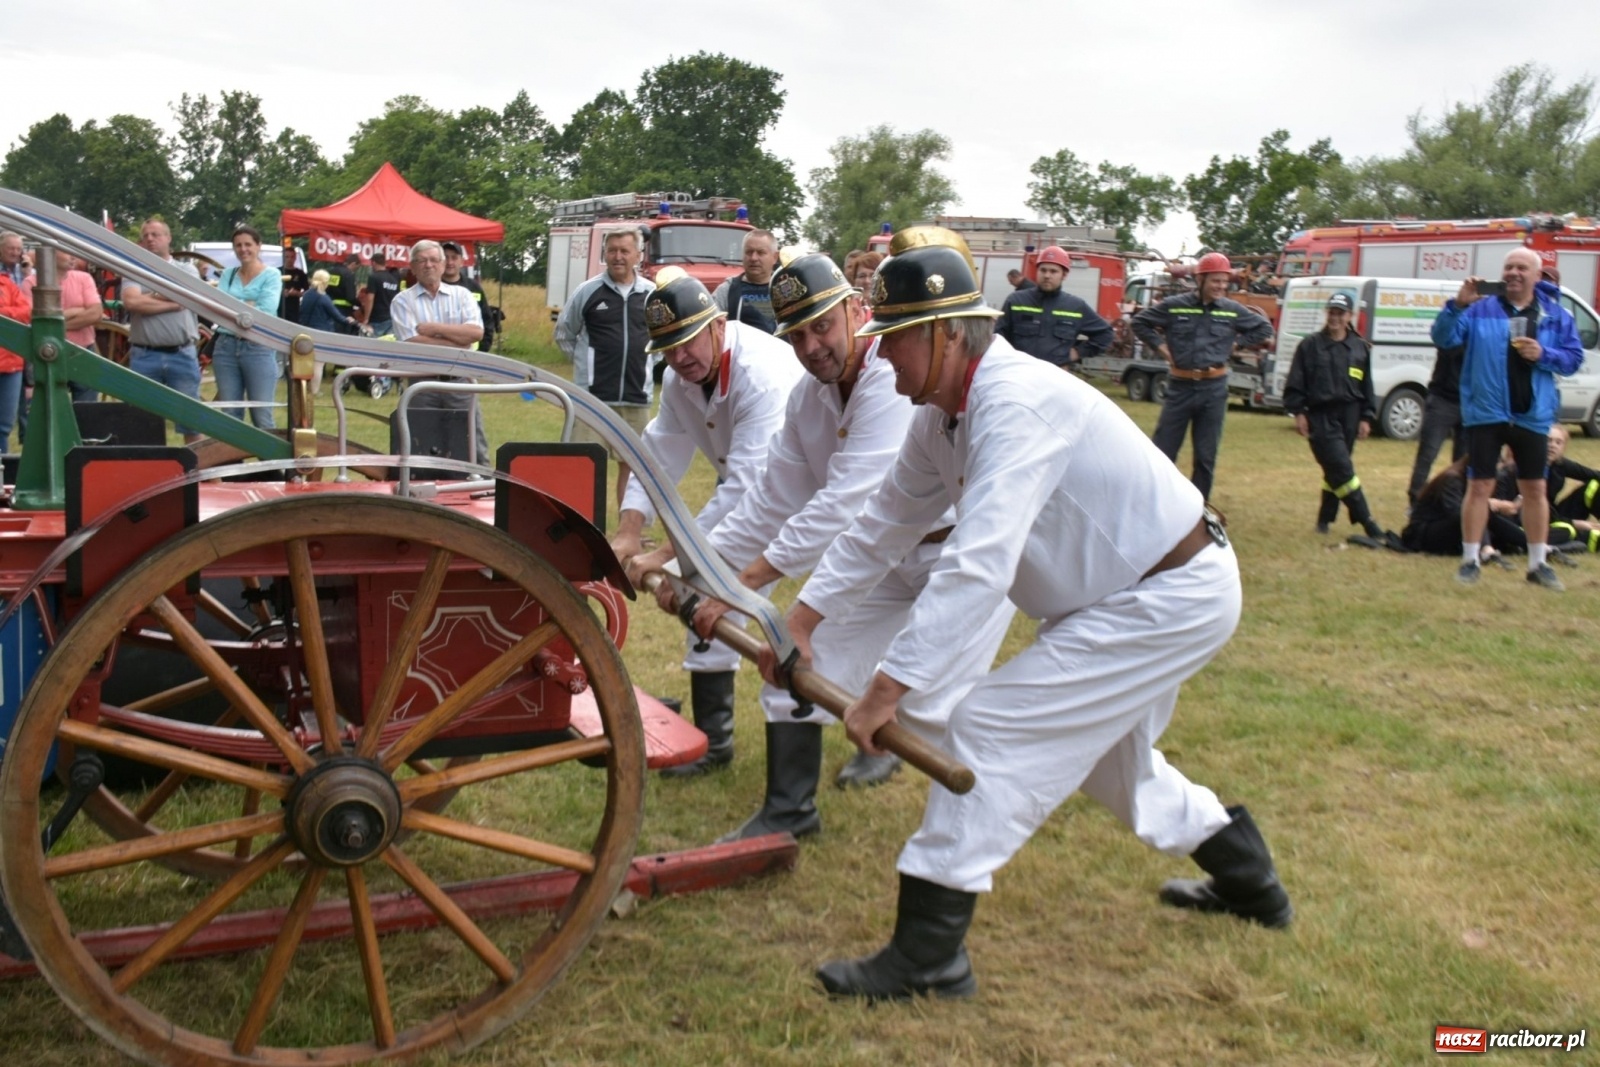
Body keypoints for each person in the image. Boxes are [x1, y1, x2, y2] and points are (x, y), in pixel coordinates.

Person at [781, 232, 1289, 1003]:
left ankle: (929, 956)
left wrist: (888, 687)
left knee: (990, 728)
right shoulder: (942, 414)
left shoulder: (1015, 402)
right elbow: (884, 523)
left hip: (1169, 594)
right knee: (1116, 767)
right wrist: (805, 617)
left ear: (947, 335)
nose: (880, 360)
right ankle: (1252, 881)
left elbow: (978, 561)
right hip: (1120, 598)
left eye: (895, 342)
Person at [683, 252, 1016, 826]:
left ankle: (962, 831)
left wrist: (745, 584)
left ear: (855, 310)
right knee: (794, 669)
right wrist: (708, 573)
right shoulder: (807, 397)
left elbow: (845, 505)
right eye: (797, 335)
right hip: (884, 560)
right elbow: (770, 499)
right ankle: (790, 813)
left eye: (822, 326)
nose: (812, 347)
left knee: (938, 712)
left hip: (954, 556)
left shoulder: (894, 381)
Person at [610, 268, 801, 778]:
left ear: (717, 324)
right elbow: (657, 456)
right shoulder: (680, 376)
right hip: (762, 495)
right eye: (667, 349)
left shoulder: (761, 376)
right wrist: (630, 530)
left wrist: (667, 555)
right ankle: (714, 743)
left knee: (834, 625)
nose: (679, 358)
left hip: (811, 500)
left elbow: (746, 490)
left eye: (688, 341)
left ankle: (874, 748)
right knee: (704, 597)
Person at [1431, 247, 1584, 590]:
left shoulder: (1555, 314)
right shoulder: (1480, 309)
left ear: (1536, 275)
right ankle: (1470, 560)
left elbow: (1574, 359)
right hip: (1486, 412)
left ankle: (1537, 564)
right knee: (1479, 485)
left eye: (1522, 268)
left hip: (1532, 415)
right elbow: (1443, 338)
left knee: (1535, 488)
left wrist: (1544, 354)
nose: (1514, 273)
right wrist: (1457, 306)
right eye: (1509, 267)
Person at [1133, 251, 1273, 501]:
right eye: (1215, 280)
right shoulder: (1175, 306)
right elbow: (1140, 322)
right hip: (1180, 387)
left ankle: (1198, 513)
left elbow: (1264, 328)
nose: (1220, 286)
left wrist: (1237, 345)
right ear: (1201, 280)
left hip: (1214, 389)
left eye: (1224, 281)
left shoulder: (1231, 310)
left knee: (1205, 456)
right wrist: (1161, 348)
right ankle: (1155, 505)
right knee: (1163, 451)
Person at [1281, 293, 1398, 545]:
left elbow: (1366, 385)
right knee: (1343, 470)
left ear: (1350, 316)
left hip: (1350, 415)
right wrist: (1299, 412)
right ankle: (1368, 521)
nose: (1335, 317)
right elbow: (1296, 382)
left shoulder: (1359, 347)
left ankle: (1325, 519)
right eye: (1331, 312)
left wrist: (1367, 416)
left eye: (1340, 313)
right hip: (1320, 415)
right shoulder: (1310, 346)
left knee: (1335, 469)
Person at [553, 228, 655, 506]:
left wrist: (646, 364)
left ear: (637, 254)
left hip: (636, 399)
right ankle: (583, 528)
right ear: (604, 254)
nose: (618, 257)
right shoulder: (587, 291)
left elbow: (660, 342)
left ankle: (629, 528)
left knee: (633, 470)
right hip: (592, 399)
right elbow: (564, 334)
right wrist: (586, 363)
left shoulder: (652, 295)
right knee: (583, 465)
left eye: (624, 251)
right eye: (612, 251)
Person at [389, 239, 488, 464]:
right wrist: (458, 342)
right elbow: (412, 342)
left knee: (473, 444)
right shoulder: (402, 301)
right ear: (412, 267)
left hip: (460, 382)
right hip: (421, 384)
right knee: (420, 447)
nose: (428, 265)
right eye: (422, 261)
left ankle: (481, 490)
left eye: (434, 260)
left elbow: (475, 333)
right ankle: (418, 494)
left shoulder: (463, 295)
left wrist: (435, 329)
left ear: (443, 265)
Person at [123, 218, 204, 443]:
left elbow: (188, 296)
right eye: (145, 235)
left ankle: (196, 474)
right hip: (144, 356)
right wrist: (172, 302)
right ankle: (152, 474)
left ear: (168, 238)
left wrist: (147, 298)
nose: (149, 239)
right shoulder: (132, 269)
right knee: (143, 422)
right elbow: (132, 303)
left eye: (155, 234)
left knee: (192, 423)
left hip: (182, 354)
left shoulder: (186, 269)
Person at [211, 225, 284, 429]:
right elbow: (218, 306)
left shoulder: (271, 275)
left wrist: (234, 307)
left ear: (258, 246)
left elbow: (267, 311)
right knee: (230, 413)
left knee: (261, 414)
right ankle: (233, 461)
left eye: (248, 244)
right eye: (238, 245)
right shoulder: (228, 274)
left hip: (258, 346)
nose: (243, 249)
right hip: (225, 346)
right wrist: (250, 305)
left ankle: (269, 459)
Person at [996, 246, 1113, 369]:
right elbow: (997, 337)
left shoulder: (1075, 306)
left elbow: (1106, 334)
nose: (1047, 275)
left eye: (1053, 271)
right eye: (1043, 270)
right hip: (1019, 376)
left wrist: (1077, 353)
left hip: (1056, 379)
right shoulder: (1016, 301)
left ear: (1064, 275)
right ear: (1037, 271)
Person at [28, 249, 105, 403]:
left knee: (86, 409)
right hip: (46, 354)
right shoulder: (30, 282)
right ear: (51, 254)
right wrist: (76, 311)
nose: (73, 256)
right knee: (49, 405)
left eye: (73, 251)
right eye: (66, 252)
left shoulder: (84, 278)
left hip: (82, 351)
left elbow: (96, 313)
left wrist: (55, 327)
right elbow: (32, 320)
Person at [1406, 343, 1466, 508]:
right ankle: (1415, 502)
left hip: (1470, 402)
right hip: (1443, 399)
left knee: (1463, 461)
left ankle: (1458, 504)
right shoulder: (1452, 322)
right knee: (1427, 454)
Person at [711, 229, 779, 334]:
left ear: (775, 257)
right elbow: (711, 330)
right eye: (749, 252)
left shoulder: (784, 290)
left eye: (761, 252)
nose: (753, 258)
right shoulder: (728, 290)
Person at [441, 242, 495, 352]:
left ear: (462, 262)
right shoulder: (433, 287)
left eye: (454, 258)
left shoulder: (473, 287)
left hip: (470, 355)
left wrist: (483, 351)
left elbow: (487, 320)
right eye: (446, 258)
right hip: (440, 352)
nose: (450, 262)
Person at [0, 269, 30, 447]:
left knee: (4, 426)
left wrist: (3, 313)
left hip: (11, 364)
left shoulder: (6, 283)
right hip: (11, 362)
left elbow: (26, 312)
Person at [361, 252, 399, 338]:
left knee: (373, 346)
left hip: (377, 319)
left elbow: (370, 298)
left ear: (373, 263)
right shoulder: (394, 279)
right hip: (391, 319)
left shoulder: (373, 277)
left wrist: (366, 318)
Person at [325, 253, 362, 330]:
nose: (355, 271)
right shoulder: (349, 275)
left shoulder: (331, 272)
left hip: (329, 308)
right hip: (344, 311)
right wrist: (361, 304)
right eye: (356, 268)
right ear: (353, 264)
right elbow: (351, 297)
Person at [278, 252, 309, 324]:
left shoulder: (300, 274)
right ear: (283, 257)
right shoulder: (278, 271)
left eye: (292, 257)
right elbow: (270, 289)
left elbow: (307, 293)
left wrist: (297, 293)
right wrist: (281, 292)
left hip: (294, 308)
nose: (289, 259)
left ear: (295, 258)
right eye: (287, 257)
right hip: (279, 306)